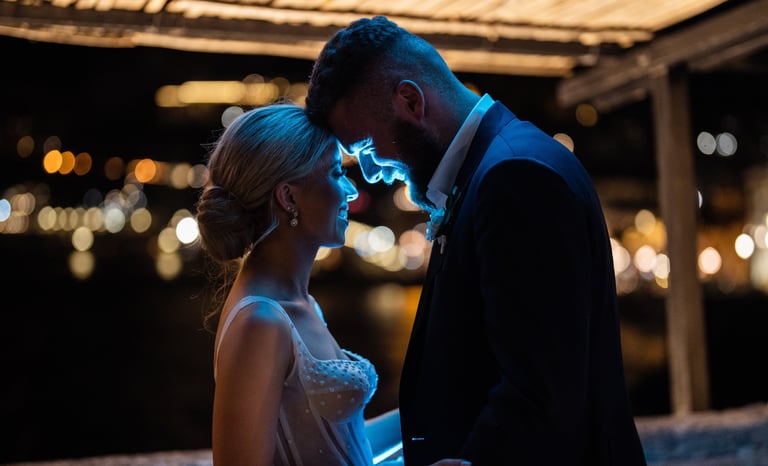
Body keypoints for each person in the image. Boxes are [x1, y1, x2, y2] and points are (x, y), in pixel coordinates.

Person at [304, 16, 648, 466]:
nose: (369, 172)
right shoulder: (497, 167)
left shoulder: (515, 178)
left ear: (410, 100)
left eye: (367, 149)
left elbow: (539, 387)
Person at [195, 103, 470, 466]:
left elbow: (336, 447)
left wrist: (443, 410)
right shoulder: (260, 321)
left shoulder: (299, 303)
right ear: (289, 197)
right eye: (337, 173)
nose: (351, 193)